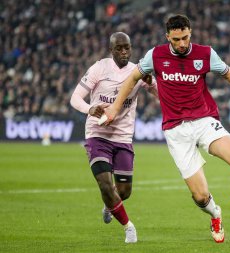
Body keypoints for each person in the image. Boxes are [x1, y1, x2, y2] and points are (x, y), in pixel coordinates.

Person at [102, 15, 230, 243]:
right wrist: (114, 108)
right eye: (176, 39)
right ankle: (216, 214)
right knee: (200, 196)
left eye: (185, 37)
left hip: (204, 121)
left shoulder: (205, 54)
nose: (181, 44)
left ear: (190, 32)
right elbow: (132, 79)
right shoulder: (155, 55)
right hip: (176, 131)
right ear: (168, 37)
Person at [70, 32, 157, 244]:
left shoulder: (137, 71)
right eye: (119, 48)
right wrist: (90, 109)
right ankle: (129, 227)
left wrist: (152, 84)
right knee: (105, 185)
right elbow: (74, 98)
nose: (124, 51)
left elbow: (162, 95)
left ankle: (110, 205)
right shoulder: (99, 68)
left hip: (123, 137)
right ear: (112, 50)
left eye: (127, 47)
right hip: (97, 136)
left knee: (124, 192)